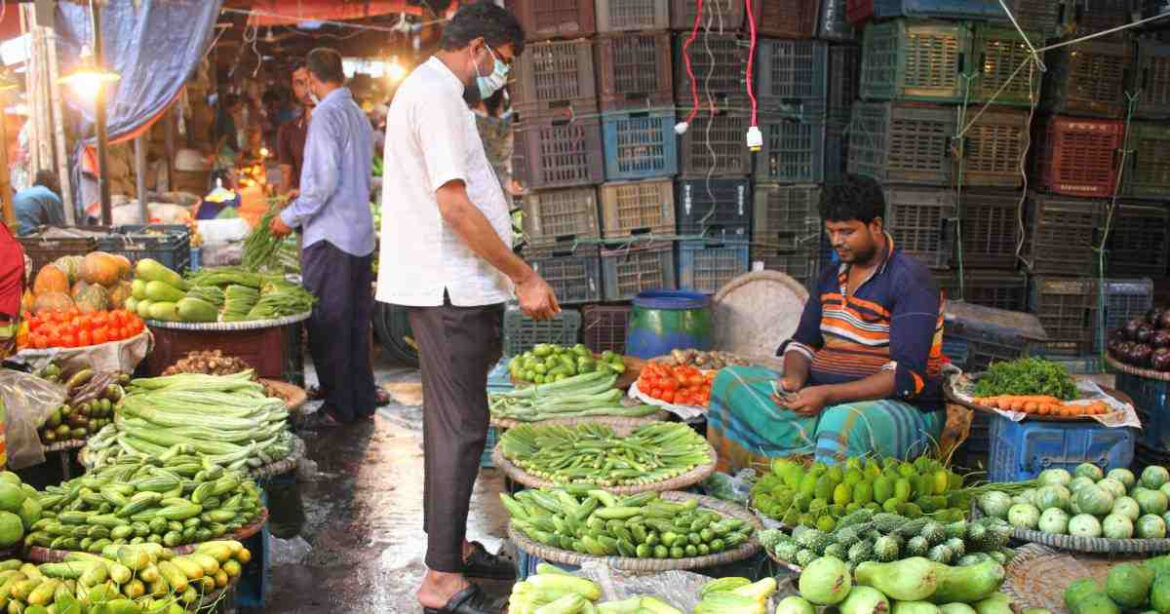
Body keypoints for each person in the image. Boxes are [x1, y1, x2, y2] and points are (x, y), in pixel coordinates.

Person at [376, 3, 559, 612]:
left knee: (451, 424)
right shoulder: (437, 97)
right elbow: (454, 207)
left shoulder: (437, 94)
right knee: (461, 430)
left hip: (447, 288)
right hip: (450, 289)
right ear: (480, 47)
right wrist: (524, 276)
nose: (500, 75)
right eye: (502, 62)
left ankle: (449, 549)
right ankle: (440, 581)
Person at [707, 175, 946, 469]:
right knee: (730, 382)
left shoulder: (910, 280)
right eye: (831, 231)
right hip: (824, 399)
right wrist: (793, 378)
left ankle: (819, 487)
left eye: (847, 232)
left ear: (876, 225)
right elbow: (803, 343)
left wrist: (828, 394)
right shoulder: (832, 276)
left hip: (903, 410)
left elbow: (905, 375)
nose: (837, 242)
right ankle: (733, 480)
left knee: (841, 423)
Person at [269, 47, 377, 426]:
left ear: (313, 80)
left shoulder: (326, 115)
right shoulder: (358, 116)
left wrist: (289, 216)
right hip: (359, 234)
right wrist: (308, 194)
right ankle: (361, 401)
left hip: (330, 237)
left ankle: (337, 408)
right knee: (354, 324)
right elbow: (351, 176)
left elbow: (325, 182)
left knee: (328, 324)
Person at [277, 61, 314, 196]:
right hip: (301, 210)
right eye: (299, 83)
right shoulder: (288, 131)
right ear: (293, 87)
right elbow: (286, 175)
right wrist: (276, 210)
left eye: (310, 81)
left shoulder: (337, 125)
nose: (307, 89)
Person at [13, 170, 64, 236]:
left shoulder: (26, 192)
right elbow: (58, 226)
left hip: (14, 233)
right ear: (51, 182)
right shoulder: (50, 196)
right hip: (29, 234)